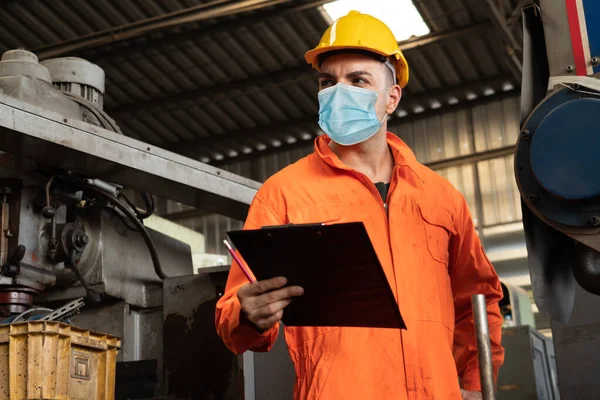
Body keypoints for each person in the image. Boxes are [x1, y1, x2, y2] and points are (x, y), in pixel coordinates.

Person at [215, 10, 504, 400]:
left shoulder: (441, 198)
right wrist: (246, 314)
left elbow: (478, 300)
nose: (338, 91)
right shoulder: (283, 193)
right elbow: (234, 311)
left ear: (391, 98)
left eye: (357, 80)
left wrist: (472, 384)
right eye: (327, 81)